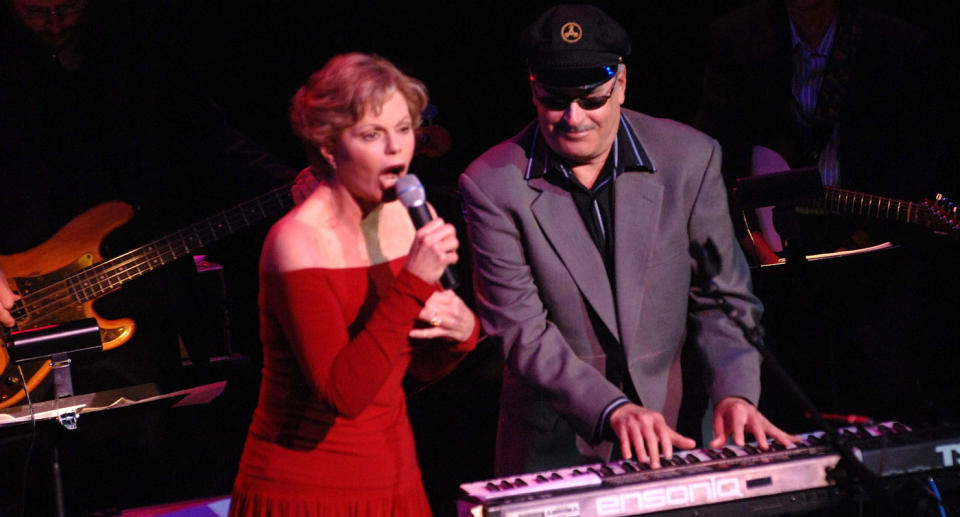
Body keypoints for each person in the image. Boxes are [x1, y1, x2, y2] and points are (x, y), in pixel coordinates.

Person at [459, 4, 794, 476]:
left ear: (620, 83)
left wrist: (736, 392)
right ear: (533, 90)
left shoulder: (689, 159)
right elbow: (521, 330)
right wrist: (612, 409)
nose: (573, 118)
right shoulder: (492, 184)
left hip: (680, 428)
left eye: (591, 99)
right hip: (558, 442)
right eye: (556, 100)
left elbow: (724, 297)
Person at [228, 53, 478, 517]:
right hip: (307, 490)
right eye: (371, 135)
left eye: (404, 129)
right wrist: (414, 282)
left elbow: (411, 368)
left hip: (394, 478)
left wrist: (462, 336)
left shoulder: (405, 222)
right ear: (328, 146)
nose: (396, 150)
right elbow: (344, 393)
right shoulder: (296, 243)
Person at [695, 0, 958, 262]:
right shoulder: (736, 38)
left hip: (867, 240)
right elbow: (713, 157)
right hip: (766, 239)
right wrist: (752, 243)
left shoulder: (897, 44)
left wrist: (865, 238)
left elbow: (915, 157)